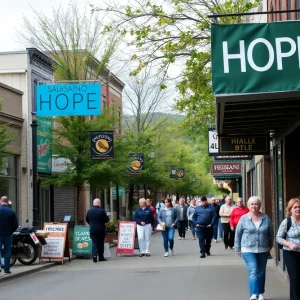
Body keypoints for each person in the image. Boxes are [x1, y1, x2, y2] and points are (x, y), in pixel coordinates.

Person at [235, 196, 274, 300]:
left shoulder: (266, 218)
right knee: (253, 270)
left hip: (263, 249)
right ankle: (253, 294)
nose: (254, 206)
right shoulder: (243, 219)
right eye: (252, 204)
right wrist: (238, 249)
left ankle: (260, 293)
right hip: (248, 249)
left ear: (260, 206)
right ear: (248, 206)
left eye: (256, 204)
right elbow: (238, 234)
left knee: (261, 272)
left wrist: (270, 245)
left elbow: (271, 233)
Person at [276, 198, 300, 300]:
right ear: (290, 209)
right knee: (294, 278)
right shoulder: (287, 222)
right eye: (295, 207)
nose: (298, 209)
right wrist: (289, 244)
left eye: (299, 207)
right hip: (291, 253)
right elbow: (278, 237)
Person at [86, 198, 109, 263]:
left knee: (94, 243)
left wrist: (91, 224)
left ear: (93, 204)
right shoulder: (102, 211)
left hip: (92, 230)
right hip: (101, 230)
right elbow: (106, 219)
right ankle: (101, 257)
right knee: (101, 243)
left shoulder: (89, 211)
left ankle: (94, 256)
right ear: (99, 204)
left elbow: (87, 219)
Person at [0, 196, 18, 274]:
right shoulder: (11, 212)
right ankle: (7, 269)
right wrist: (11, 231)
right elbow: (15, 224)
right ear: (7, 202)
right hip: (8, 235)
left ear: (1, 202)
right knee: (7, 251)